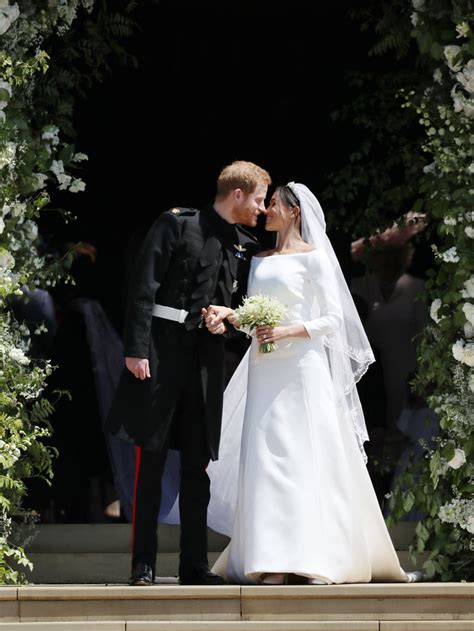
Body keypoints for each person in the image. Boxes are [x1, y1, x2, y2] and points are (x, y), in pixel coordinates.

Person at [203, 183, 424, 585]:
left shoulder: (316, 259)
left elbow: (334, 320)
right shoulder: (258, 258)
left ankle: (309, 554)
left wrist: (288, 330)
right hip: (264, 366)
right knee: (266, 456)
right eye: (266, 203)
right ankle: (268, 557)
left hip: (301, 367)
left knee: (302, 454)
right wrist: (233, 316)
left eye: (273, 204)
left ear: (294, 212)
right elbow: (253, 312)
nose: (267, 210)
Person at [106, 160, 271, 586]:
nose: (262, 208)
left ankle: (193, 565)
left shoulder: (243, 243)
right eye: (257, 199)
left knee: (198, 466)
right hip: (161, 356)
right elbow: (143, 286)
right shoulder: (177, 224)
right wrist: (136, 350)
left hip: (206, 363)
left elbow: (238, 302)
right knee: (153, 461)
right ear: (237, 194)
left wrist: (226, 320)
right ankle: (142, 564)